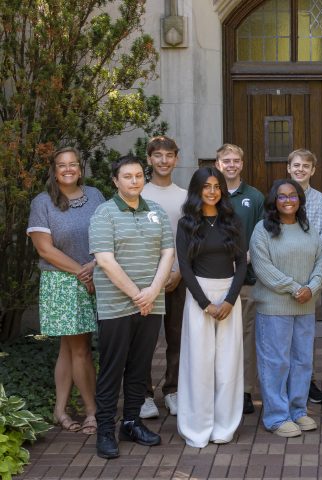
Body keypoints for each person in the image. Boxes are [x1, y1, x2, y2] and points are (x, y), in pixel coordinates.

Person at [89, 155, 174, 459]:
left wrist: (152, 292)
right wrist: (139, 294)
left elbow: (168, 253)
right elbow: (105, 260)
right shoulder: (104, 213)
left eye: (139, 175)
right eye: (127, 176)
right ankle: (104, 431)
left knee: (140, 369)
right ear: (115, 181)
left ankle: (131, 422)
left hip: (152, 304)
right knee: (112, 370)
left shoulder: (158, 212)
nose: (134, 181)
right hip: (117, 306)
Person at [27, 147, 105, 435]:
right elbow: (44, 248)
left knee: (69, 349)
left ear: (80, 169)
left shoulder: (95, 196)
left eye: (73, 164)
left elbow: (108, 233)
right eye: (62, 165)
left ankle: (60, 410)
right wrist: (82, 273)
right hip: (61, 282)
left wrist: (95, 265)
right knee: (81, 349)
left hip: (95, 275)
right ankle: (92, 411)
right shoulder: (43, 202)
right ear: (54, 170)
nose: (68, 169)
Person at [176, 167, 247, 447]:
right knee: (199, 363)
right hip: (199, 297)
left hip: (229, 294)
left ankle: (224, 427)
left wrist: (229, 300)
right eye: (206, 186)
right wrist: (205, 303)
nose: (212, 191)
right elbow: (184, 267)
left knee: (228, 364)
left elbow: (241, 263)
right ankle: (196, 427)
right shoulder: (187, 224)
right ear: (197, 190)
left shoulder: (233, 221)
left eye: (217, 186)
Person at [249, 179, 322, 437]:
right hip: (275, 307)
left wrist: (311, 288)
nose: (288, 200)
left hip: (305, 306)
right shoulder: (263, 230)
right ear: (274, 201)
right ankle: (276, 416)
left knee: (302, 361)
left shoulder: (308, 229)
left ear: (300, 200)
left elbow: (320, 262)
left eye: (293, 196)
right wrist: (295, 288)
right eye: (282, 197)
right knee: (276, 363)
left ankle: (298, 411)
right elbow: (263, 268)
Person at [215, 143, 265, 415]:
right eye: (226, 161)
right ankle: (220, 388)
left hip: (245, 279)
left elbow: (262, 234)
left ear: (242, 164)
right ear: (218, 164)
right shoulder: (211, 193)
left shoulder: (254, 197)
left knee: (245, 337)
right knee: (218, 336)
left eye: (236, 160)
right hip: (213, 278)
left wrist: (248, 255)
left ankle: (244, 391)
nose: (231, 165)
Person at [140, 136, 187, 419]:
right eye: (157, 155)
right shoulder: (140, 194)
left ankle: (173, 390)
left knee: (177, 336)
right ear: (149, 159)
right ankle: (143, 394)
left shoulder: (183, 196)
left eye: (169, 155)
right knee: (144, 339)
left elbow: (188, 239)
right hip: (146, 277)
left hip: (178, 277)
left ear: (177, 159)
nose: (163, 160)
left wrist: (180, 270)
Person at [287, 149, 322, 404]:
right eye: (296, 165)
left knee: (305, 333)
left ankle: (307, 382)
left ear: (313, 170)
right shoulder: (279, 196)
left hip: (310, 274)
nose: (300, 169)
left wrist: (310, 275)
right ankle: (283, 382)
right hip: (282, 275)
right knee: (282, 333)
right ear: (288, 168)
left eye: (306, 166)